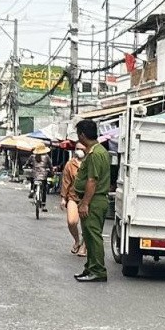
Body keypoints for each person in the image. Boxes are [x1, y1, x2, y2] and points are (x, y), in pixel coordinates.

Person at [74, 120, 113, 282]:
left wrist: (85, 203)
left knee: (93, 236)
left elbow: (92, 181)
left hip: (94, 200)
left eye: (78, 134)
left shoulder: (96, 154)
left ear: (82, 135)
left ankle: (98, 270)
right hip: (93, 200)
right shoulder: (95, 151)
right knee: (88, 236)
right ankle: (90, 267)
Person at [60, 146, 85, 256]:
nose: (80, 150)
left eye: (82, 148)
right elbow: (66, 181)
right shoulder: (70, 164)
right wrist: (63, 198)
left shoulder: (90, 162)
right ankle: (77, 240)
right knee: (71, 221)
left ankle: (84, 246)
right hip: (73, 196)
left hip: (87, 198)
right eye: (78, 147)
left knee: (87, 225)